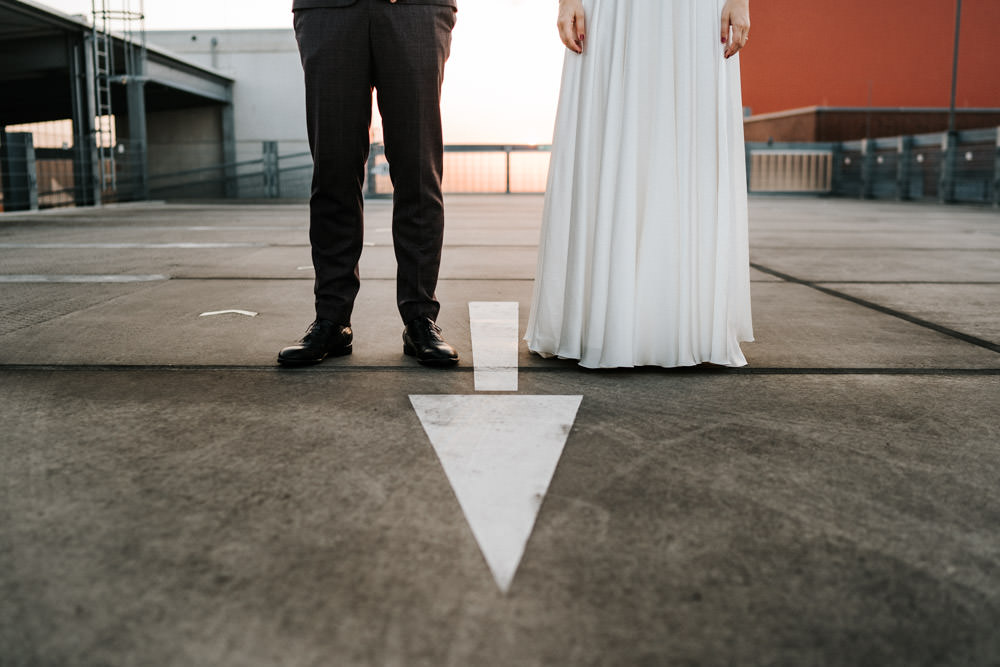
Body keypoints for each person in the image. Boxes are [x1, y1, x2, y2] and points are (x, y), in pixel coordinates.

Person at [525, 0, 755, 369]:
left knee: (686, 142)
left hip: (692, 12)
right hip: (615, 10)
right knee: (609, 132)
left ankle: (676, 323)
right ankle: (604, 322)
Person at [278, 0, 460, 367]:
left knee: (418, 170)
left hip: (415, 10)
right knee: (333, 170)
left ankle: (421, 318)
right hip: (329, 10)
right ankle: (331, 319)